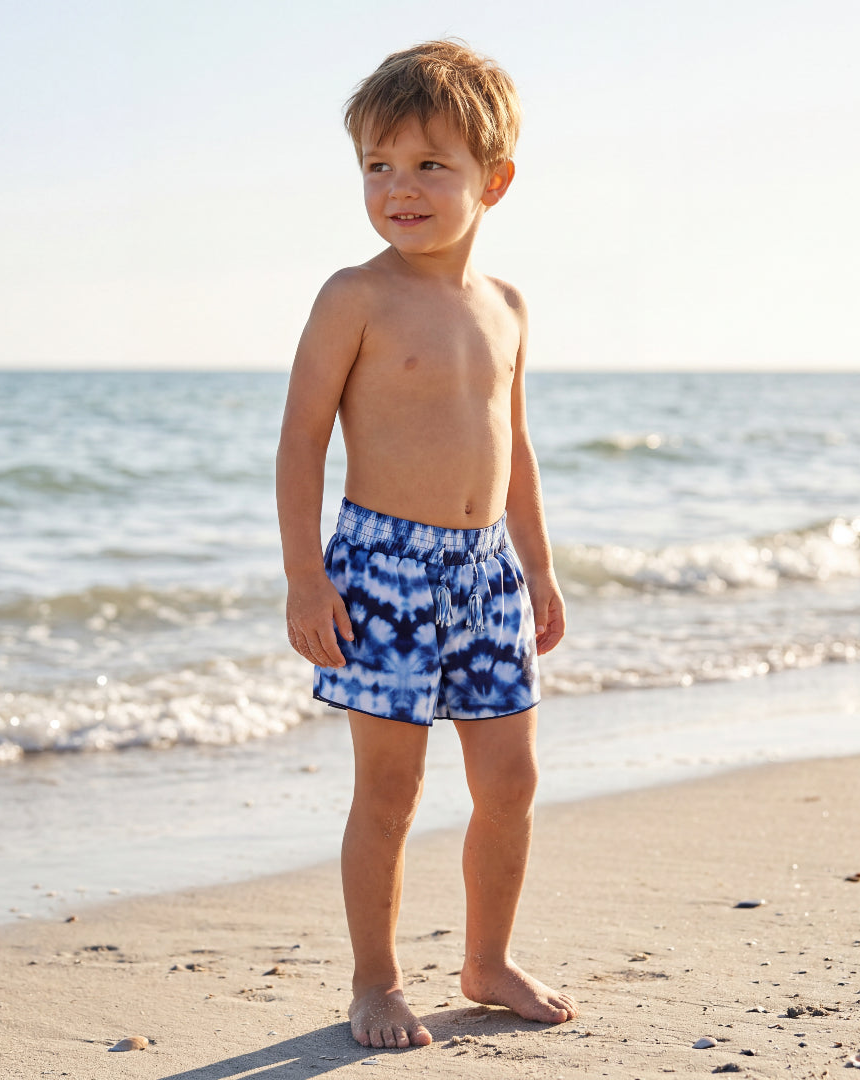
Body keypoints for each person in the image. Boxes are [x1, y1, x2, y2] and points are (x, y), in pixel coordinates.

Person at [275, 39, 577, 1050]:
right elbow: (302, 440)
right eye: (378, 165)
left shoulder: (508, 308)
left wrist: (537, 567)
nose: (398, 188)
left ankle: (486, 959)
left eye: (429, 166)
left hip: (485, 570)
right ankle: (375, 981)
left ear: (494, 179)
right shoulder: (352, 296)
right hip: (382, 569)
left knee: (511, 782)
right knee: (390, 790)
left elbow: (514, 444)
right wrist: (305, 577)